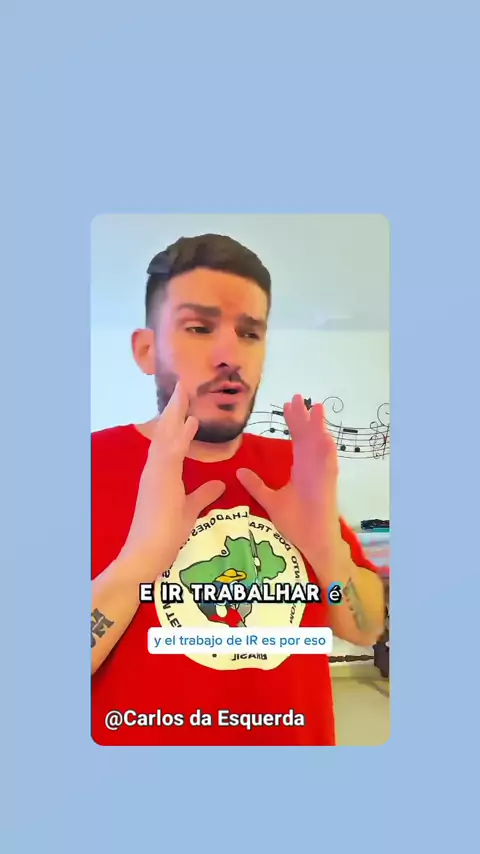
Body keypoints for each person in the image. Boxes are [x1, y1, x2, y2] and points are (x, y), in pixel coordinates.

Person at [91, 233, 386, 745]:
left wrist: (327, 550)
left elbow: (363, 629)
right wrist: (138, 561)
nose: (231, 355)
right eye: (199, 328)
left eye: (250, 333)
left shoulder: (293, 468)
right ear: (146, 349)